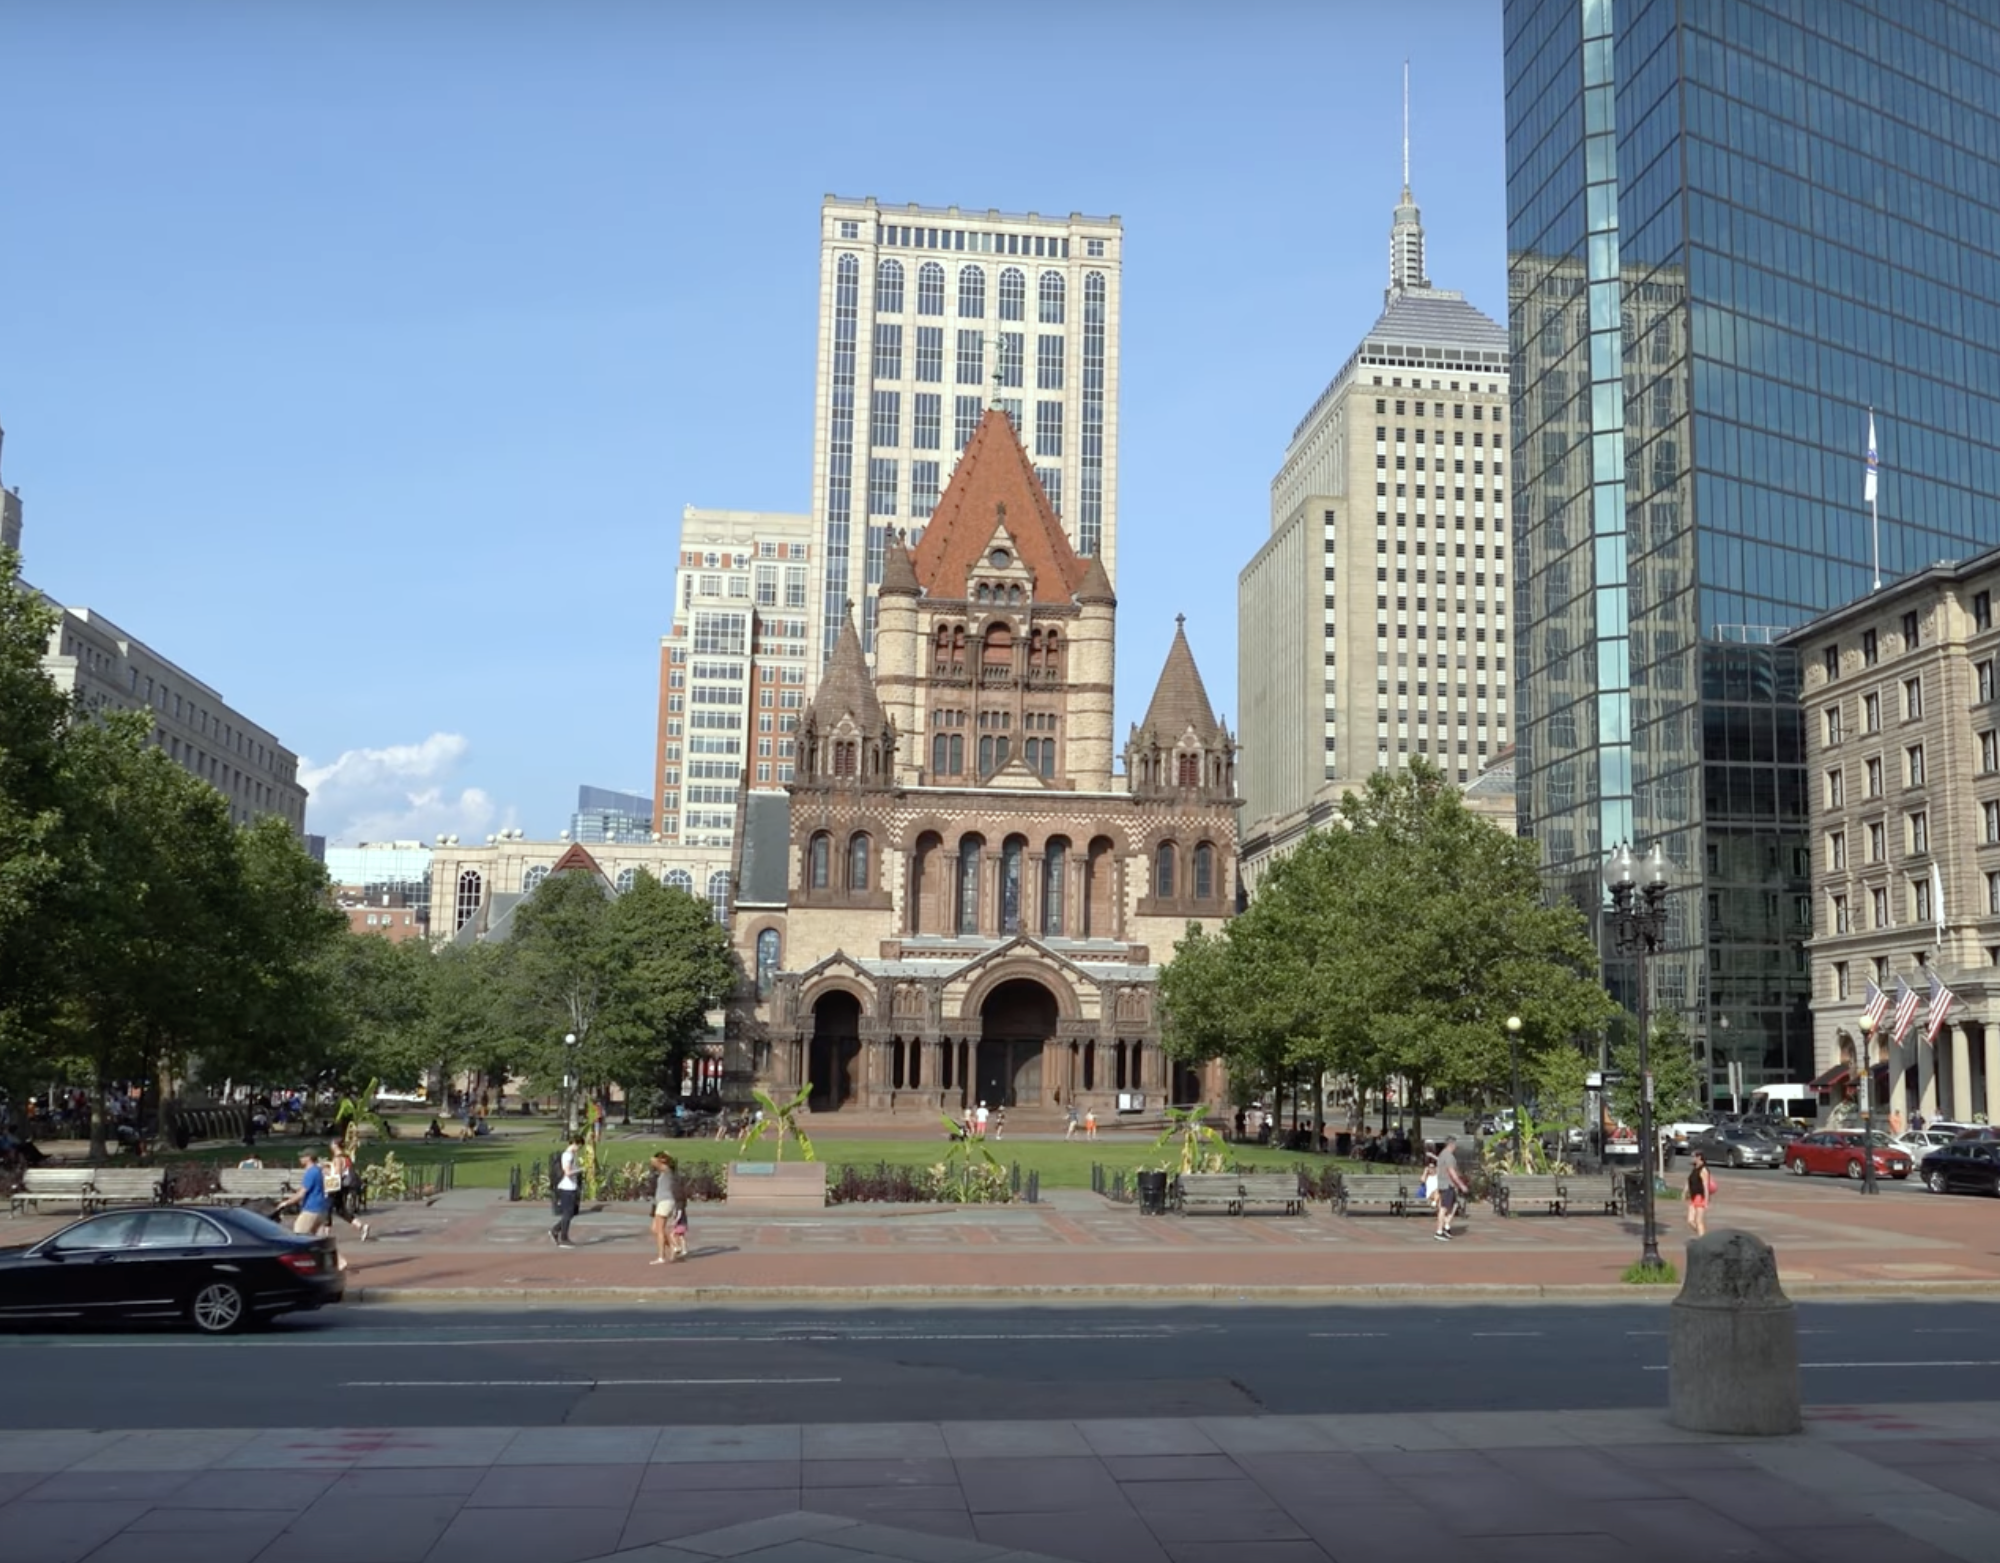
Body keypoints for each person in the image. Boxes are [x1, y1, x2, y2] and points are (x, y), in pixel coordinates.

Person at [326, 1140, 371, 1243]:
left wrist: (327, 1172)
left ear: (335, 1146)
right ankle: (361, 1226)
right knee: (340, 1210)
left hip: (336, 1186)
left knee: (327, 1208)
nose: (330, 1146)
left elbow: (337, 1173)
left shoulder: (337, 1158)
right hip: (343, 1186)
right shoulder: (346, 1157)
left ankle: (325, 1234)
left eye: (332, 1144)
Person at [650, 1152, 688, 1264]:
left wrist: (662, 1156)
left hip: (665, 1202)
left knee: (660, 1230)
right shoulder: (665, 1172)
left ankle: (661, 1256)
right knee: (654, 1229)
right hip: (662, 1202)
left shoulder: (667, 1171)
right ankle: (673, 1246)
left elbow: (653, 1160)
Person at [1433, 1134, 1468, 1241]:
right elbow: (1451, 1172)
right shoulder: (1448, 1156)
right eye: (1455, 1144)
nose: (1456, 1147)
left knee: (1450, 1207)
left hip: (1443, 1184)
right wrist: (1461, 1184)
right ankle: (1439, 1231)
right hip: (1447, 1185)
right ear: (1451, 1144)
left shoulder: (1442, 1154)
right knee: (1444, 1208)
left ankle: (1446, 1227)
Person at [550, 1135, 583, 1247]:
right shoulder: (567, 1155)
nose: (579, 1149)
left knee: (571, 1212)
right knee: (567, 1213)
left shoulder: (571, 1155)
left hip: (571, 1187)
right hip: (566, 1188)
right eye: (579, 1146)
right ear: (575, 1144)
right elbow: (567, 1172)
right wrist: (580, 1170)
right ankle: (563, 1238)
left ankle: (555, 1230)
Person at [1686, 1150, 1715, 1239]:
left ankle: (1702, 1238)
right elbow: (1690, 1181)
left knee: (1699, 1220)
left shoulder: (1703, 1170)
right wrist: (1685, 1191)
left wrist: (1706, 1200)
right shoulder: (1695, 1168)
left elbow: (1705, 1186)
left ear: (1699, 1157)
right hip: (1693, 1196)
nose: (1691, 1158)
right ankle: (1703, 1235)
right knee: (1690, 1220)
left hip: (1700, 1197)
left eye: (1693, 1156)